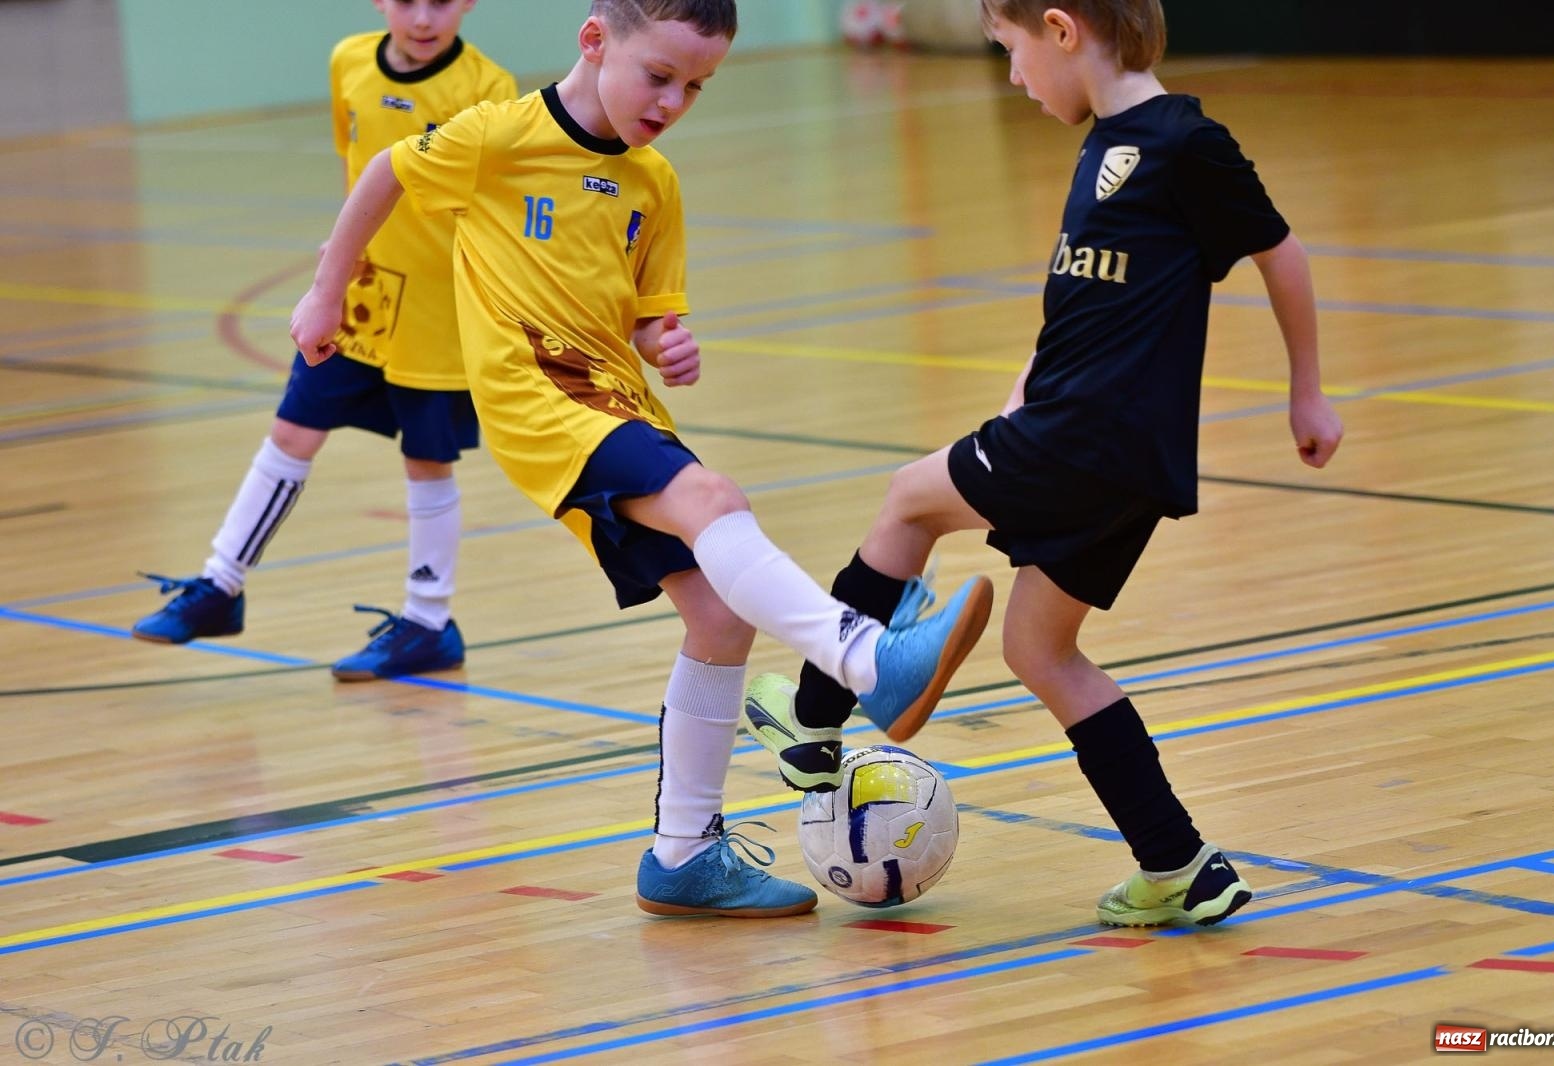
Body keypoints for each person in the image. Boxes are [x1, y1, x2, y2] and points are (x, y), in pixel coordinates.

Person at [287, 0, 994, 918]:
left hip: (616, 400)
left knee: (717, 617)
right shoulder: (501, 136)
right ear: (594, 41)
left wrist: (666, 343)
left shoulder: (652, 182)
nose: (673, 101)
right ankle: (866, 660)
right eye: (657, 76)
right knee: (712, 496)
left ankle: (683, 856)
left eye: (696, 86)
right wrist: (325, 291)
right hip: (536, 404)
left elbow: (644, 311)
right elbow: (386, 170)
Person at [743, 0, 1344, 928]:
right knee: (1040, 649)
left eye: (1012, 52)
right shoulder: (1103, 147)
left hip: (1089, 438)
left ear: (1063, 30)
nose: (1014, 76)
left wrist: (1307, 391)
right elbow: (1086, 305)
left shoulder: (1184, 141)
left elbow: (1283, 254)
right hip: (1113, 456)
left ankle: (818, 713)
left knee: (908, 501)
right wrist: (1023, 387)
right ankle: (1179, 865)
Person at [132, 0, 517, 681]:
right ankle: (220, 585)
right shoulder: (349, 61)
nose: (424, 17)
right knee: (292, 432)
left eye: (442, 1)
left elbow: (498, 208)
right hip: (361, 298)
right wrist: (338, 259)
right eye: (407, 0)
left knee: (427, 463)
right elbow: (358, 167)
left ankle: (429, 622)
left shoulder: (489, 89)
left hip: (440, 312)